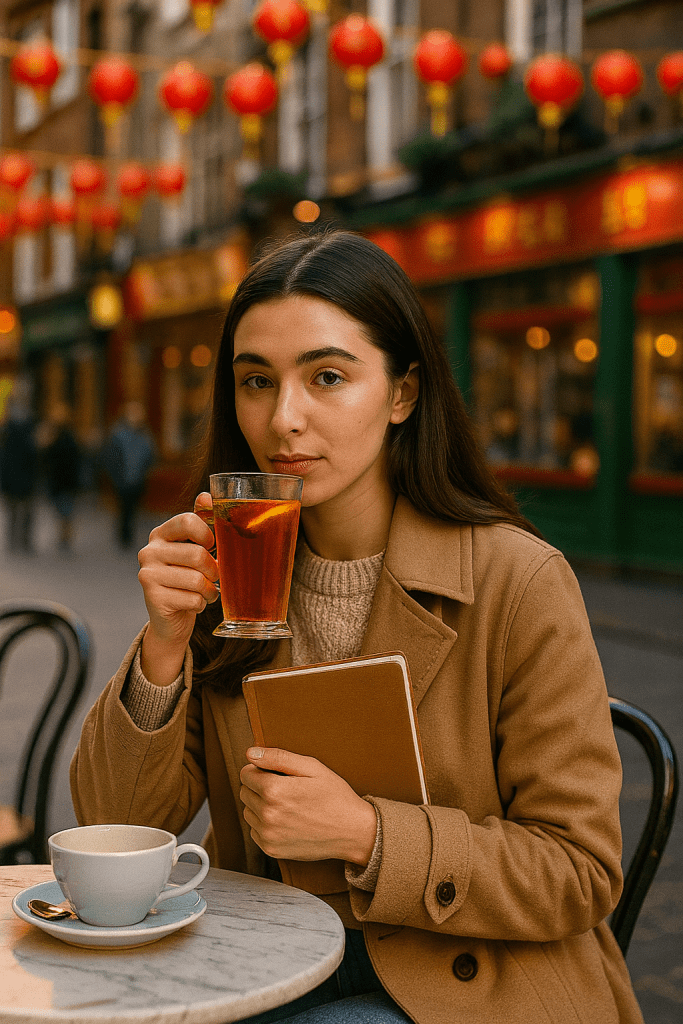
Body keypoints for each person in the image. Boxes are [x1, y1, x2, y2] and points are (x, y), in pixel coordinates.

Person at [71, 231, 643, 1024]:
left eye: (327, 377)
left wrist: (369, 834)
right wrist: (163, 646)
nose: (284, 418)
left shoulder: (518, 582)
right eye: (256, 381)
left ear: (402, 393)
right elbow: (111, 828)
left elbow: (580, 871)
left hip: (474, 981)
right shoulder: (230, 573)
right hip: (267, 962)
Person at [101, 400, 156, 548]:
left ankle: (128, 534)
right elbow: (111, 458)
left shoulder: (144, 434)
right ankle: (124, 535)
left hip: (137, 478)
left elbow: (150, 454)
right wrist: (116, 478)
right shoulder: (118, 434)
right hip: (123, 478)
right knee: (124, 508)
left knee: (132, 509)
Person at [39, 402, 82, 551]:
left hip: (65, 481)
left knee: (65, 510)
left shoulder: (66, 437)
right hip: (59, 481)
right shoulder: (56, 435)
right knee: (62, 510)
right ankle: (64, 534)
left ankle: (65, 535)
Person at [0, 387, 38, 553]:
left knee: (23, 511)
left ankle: (21, 540)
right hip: (16, 475)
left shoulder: (25, 425)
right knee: (17, 511)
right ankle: (19, 541)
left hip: (24, 474)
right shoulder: (8, 427)